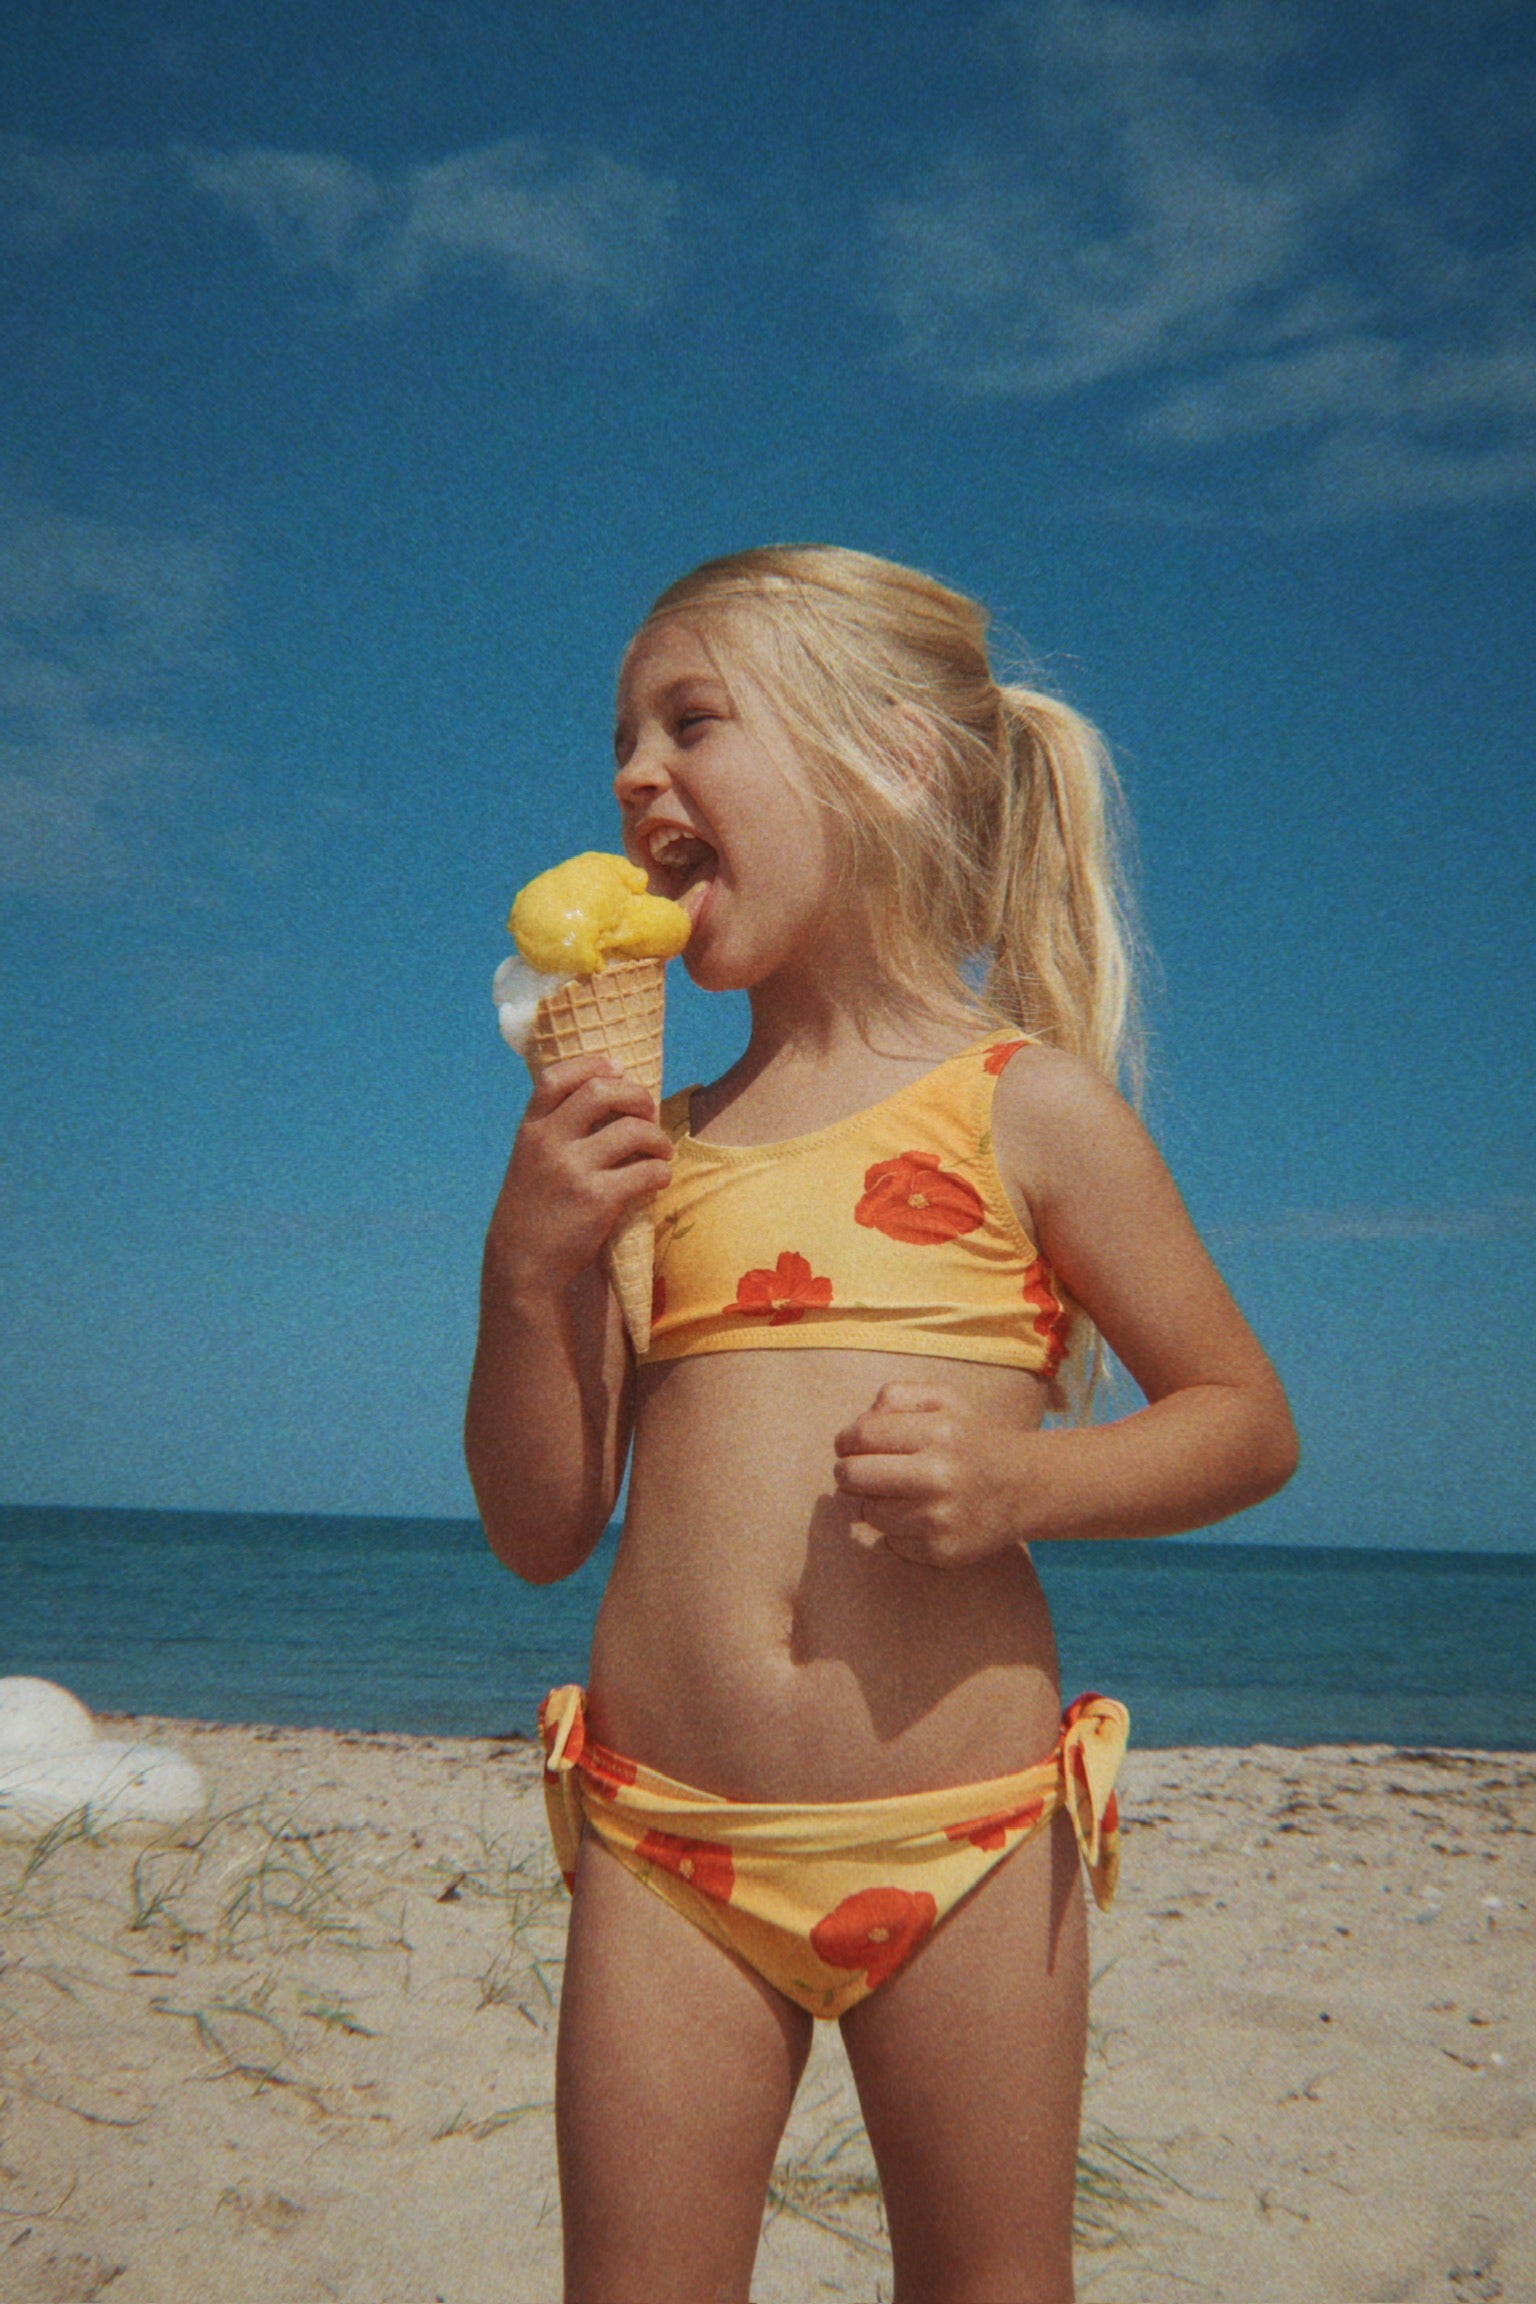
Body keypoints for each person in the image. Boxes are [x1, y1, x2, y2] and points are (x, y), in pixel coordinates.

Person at [465, 546, 1297, 2304]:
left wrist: (1024, 1482)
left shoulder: (1027, 1110)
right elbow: (541, 1528)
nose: (633, 778)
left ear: (895, 761)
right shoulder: (651, 1151)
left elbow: (1243, 1422)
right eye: (620, 743)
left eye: (692, 721)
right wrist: (524, 1273)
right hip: (666, 1842)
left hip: (969, 1841)